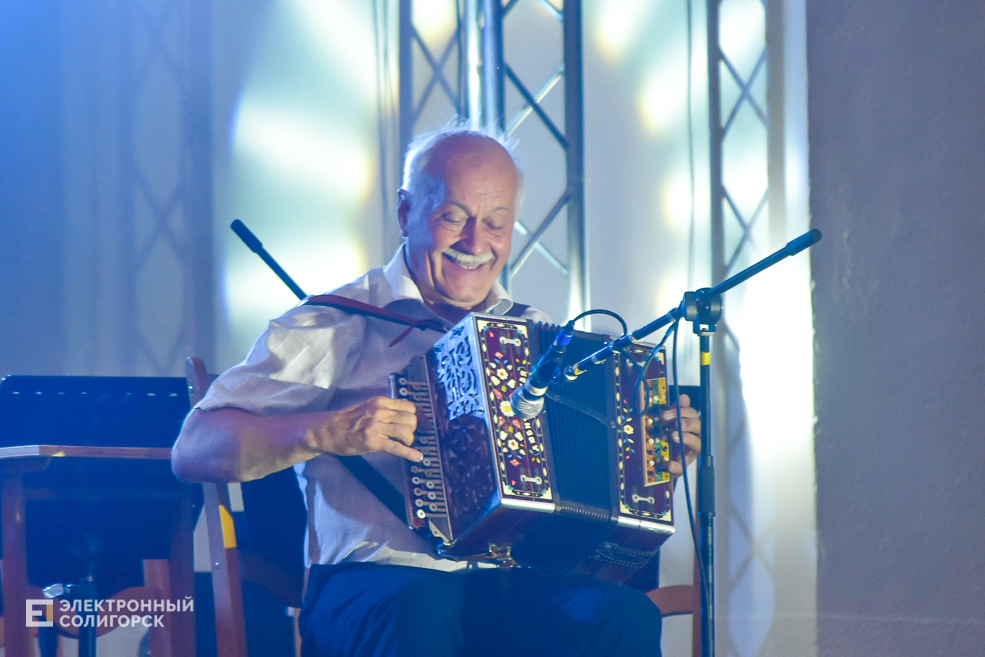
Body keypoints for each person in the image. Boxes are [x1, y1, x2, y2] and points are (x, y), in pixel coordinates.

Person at [172, 128, 701, 657]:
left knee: (619, 614)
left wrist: (650, 459)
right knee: (423, 609)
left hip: (504, 586)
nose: (475, 244)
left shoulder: (532, 335)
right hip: (373, 585)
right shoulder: (334, 323)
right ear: (406, 213)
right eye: (453, 217)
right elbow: (195, 447)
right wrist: (326, 430)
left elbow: (579, 489)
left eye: (495, 224)